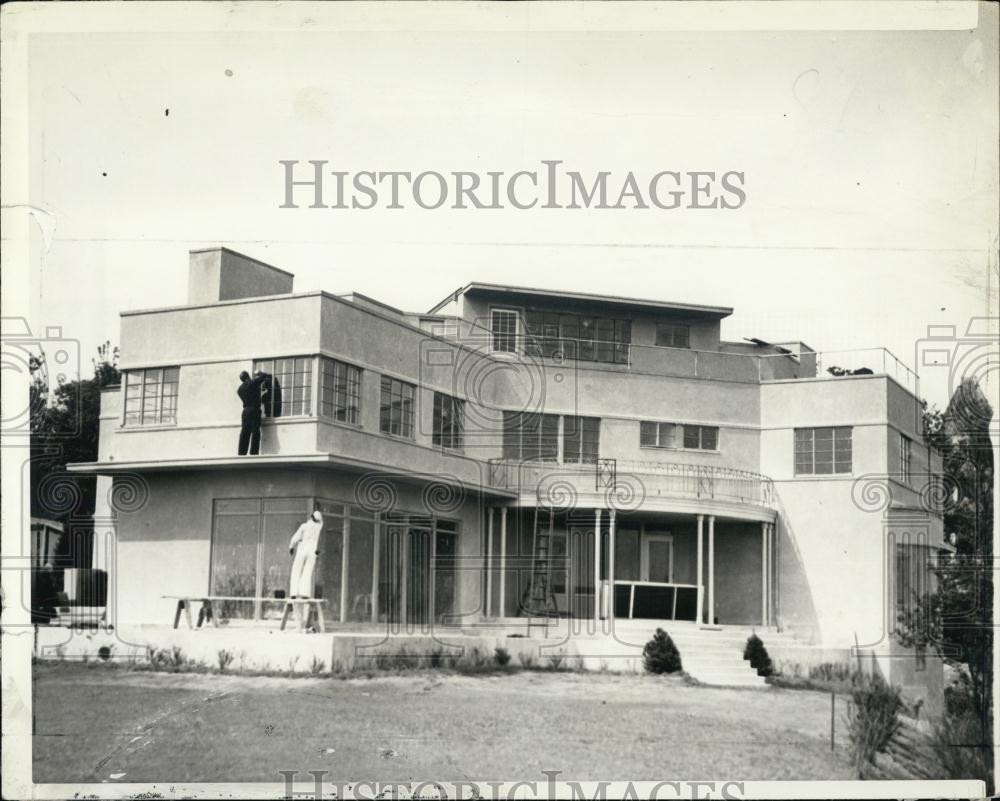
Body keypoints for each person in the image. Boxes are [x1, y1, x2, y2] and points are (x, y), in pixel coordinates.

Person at [288, 508, 323, 630]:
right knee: (307, 573)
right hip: (312, 552)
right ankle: (304, 592)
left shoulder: (304, 526)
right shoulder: (319, 527)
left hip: (303, 549)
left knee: (296, 570)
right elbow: (320, 521)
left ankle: (294, 592)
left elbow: (295, 538)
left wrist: (291, 547)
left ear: (310, 517)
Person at [236, 370, 269, 455]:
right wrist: (259, 373)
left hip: (245, 411)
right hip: (255, 410)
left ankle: (241, 453)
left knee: (245, 432)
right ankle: (254, 453)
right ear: (248, 376)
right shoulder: (253, 383)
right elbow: (264, 376)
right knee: (255, 431)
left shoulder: (239, 390)